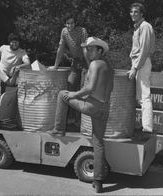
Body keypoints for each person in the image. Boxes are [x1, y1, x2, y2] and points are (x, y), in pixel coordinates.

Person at [47, 37, 113, 193]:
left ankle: (58, 129)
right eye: (87, 49)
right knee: (98, 142)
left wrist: (74, 94)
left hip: (92, 105)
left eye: (91, 49)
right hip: (104, 108)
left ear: (99, 50)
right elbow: (109, 90)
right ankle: (98, 181)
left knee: (63, 94)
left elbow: (89, 88)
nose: (88, 51)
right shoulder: (109, 67)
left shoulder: (95, 64)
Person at [47, 12, 88, 127]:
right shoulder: (64, 32)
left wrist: (90, 66)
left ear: (75, 23)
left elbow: (85, 50)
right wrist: (55, 66)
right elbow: (61, 48)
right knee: (70, 88)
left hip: (85, 62)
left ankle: (81, 121)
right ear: (65, 24)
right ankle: (70, 118)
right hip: (75, 63)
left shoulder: (82, 31)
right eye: (68, 23)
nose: (70, 25)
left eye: (72, 23)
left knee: (83, 90)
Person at [127, 3, 155, 133]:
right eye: (132, 12)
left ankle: (147, 128)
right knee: (140, 97)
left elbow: (143, 51)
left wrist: (135, 67)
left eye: (136, 12)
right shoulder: (138, 27)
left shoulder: (145, 26)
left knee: (144, 96)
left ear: (142, 14)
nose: (133, 14)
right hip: (138, 63)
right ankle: (145, 126)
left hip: (142, 63)